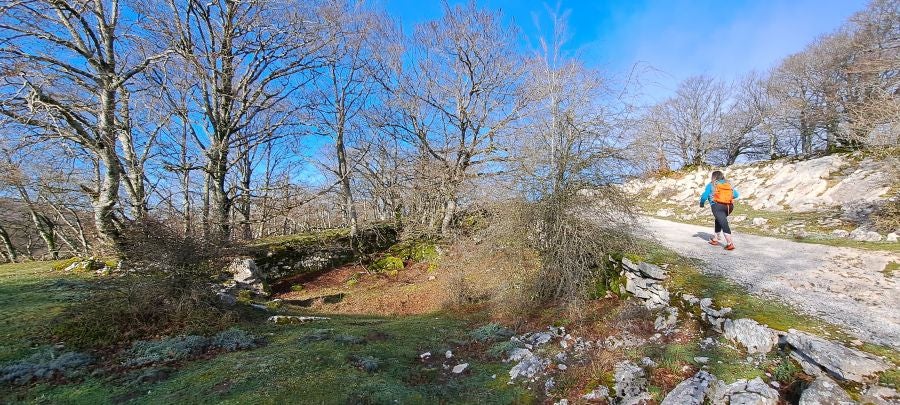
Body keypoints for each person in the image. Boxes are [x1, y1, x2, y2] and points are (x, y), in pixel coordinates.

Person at [700, 170, 739, 250]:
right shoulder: (728, 185)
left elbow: (704, 196)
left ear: (713, 177)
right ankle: (715, 239)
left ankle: (730, 244)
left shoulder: (711, 184)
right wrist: (726, 198)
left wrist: (702, 203)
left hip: (717, 206)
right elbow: (736, 195)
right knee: (718, 220)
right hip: (729, 207)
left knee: (724, 223)